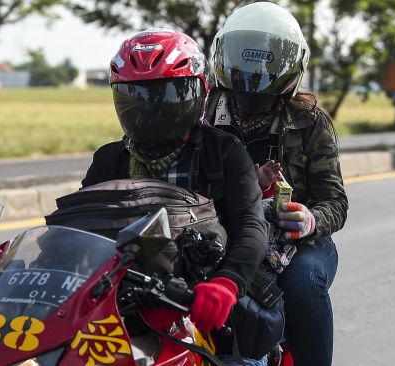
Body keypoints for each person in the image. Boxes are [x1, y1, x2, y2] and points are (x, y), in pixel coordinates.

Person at [81, 29, 268, 344]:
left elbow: (251, 224)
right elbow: (78, 229)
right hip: (122, 300)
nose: (151, 112)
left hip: (201, 298)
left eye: (166, 97)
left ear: (199, 94)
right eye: (137, 98)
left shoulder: (223, 151)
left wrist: (227, 282)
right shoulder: (109, 160)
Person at [206, 3, 349, 366]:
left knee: (303, 284)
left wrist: (309, 220)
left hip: (297, 245)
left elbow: (334, 200)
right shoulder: (205, 110)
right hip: (220, 231)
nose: (252, 79)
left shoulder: (310, 122)